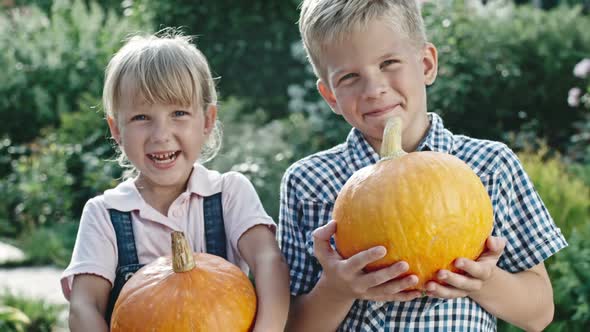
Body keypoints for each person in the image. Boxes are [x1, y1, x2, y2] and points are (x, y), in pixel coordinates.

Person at [277, 1, 567, 331]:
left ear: (426, 64)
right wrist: (336, 290)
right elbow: (288, 326)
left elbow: (539, 312)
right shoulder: (307, 181)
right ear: (330, 96)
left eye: (388, 63)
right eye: (349, 77)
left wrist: (483, 281)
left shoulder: (490, 167)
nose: (374, 89)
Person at [61, 30, 290, 332]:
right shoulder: (105, 214)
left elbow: (267, 261)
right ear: (117, 130)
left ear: (207, 121)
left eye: (178, 113)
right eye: (142, 117)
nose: (161, 134)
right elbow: (84, 306)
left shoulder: (228, 193)